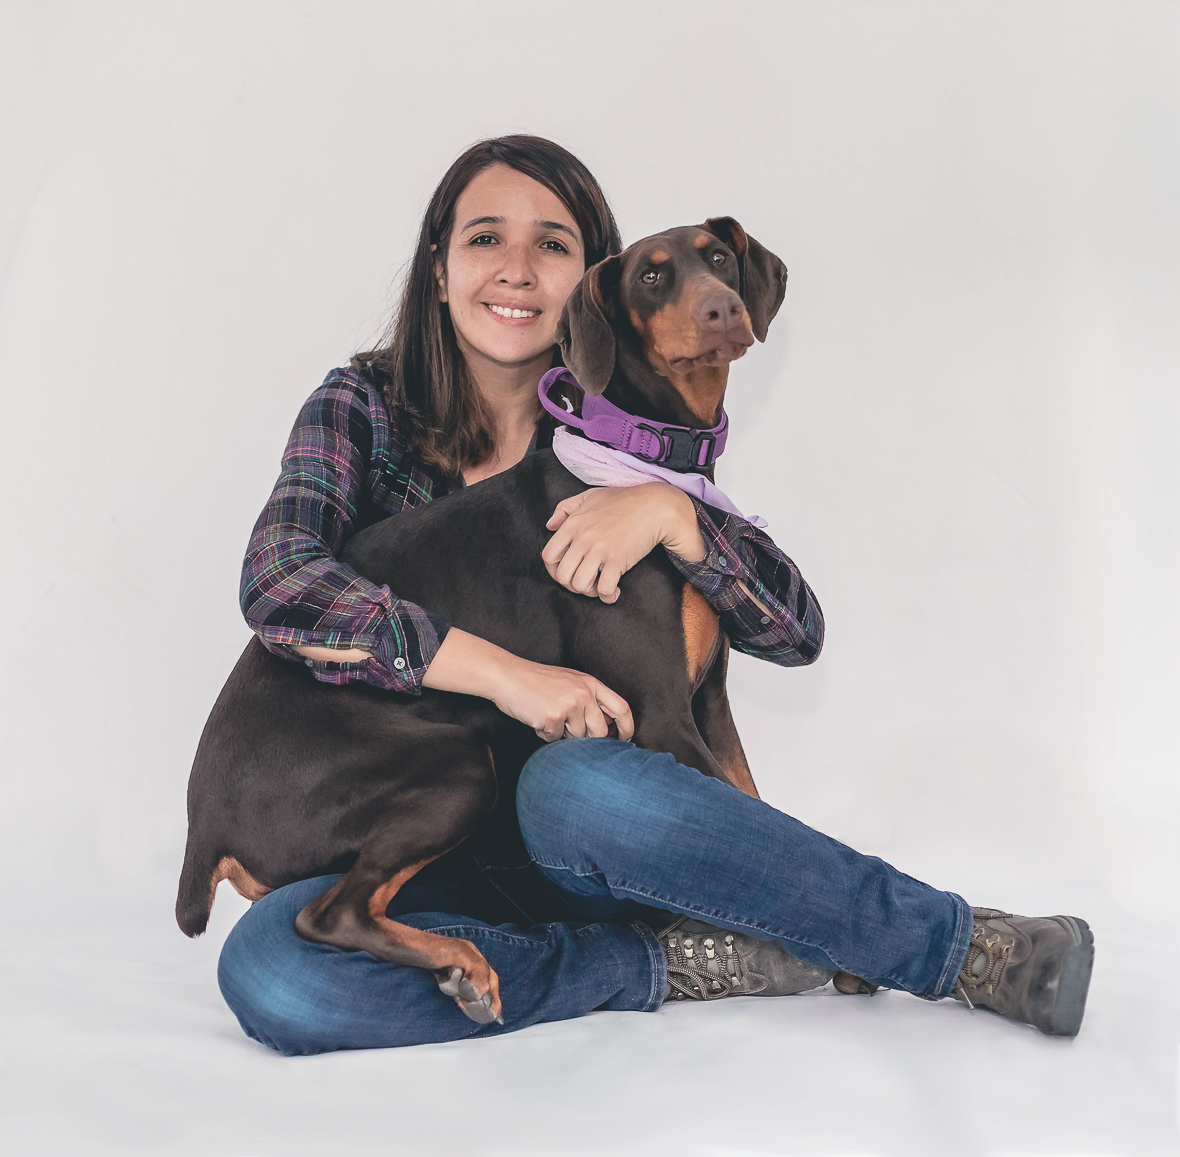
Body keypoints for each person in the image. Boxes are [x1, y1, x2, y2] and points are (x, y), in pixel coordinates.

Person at [217, 135, 1094, 1055]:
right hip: (410, 843)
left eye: (552, 244)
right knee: (272, 970)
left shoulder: (642, 438)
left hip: (585, 837)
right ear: (439, 269)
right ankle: (668, 962)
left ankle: (964, 948)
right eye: (485, 239)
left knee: (580, 783)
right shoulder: (362, 407)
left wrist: (674, 513)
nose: (517, 269)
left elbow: (795, 631)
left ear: (593, 287)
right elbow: (278, 580)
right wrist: (507, 676)